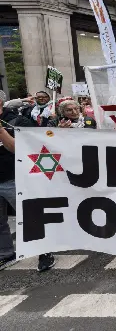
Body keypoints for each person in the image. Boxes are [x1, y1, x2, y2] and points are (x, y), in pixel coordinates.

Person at [0, 97, 56, 272]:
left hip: (14, 177)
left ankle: (45, 251)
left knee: (30, 216)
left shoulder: (18, 121)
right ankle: (6, 253)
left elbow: (20, 148)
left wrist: (1, 131)